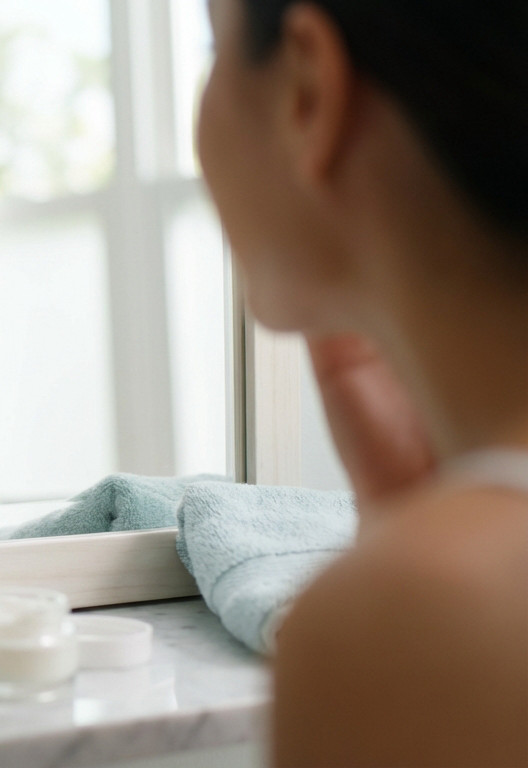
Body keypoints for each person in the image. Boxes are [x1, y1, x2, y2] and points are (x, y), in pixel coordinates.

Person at [196, 0, 527, 764]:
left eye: (211, 45)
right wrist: (412, 516)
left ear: (306, 90)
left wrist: (407, 576)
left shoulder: (424, 618)